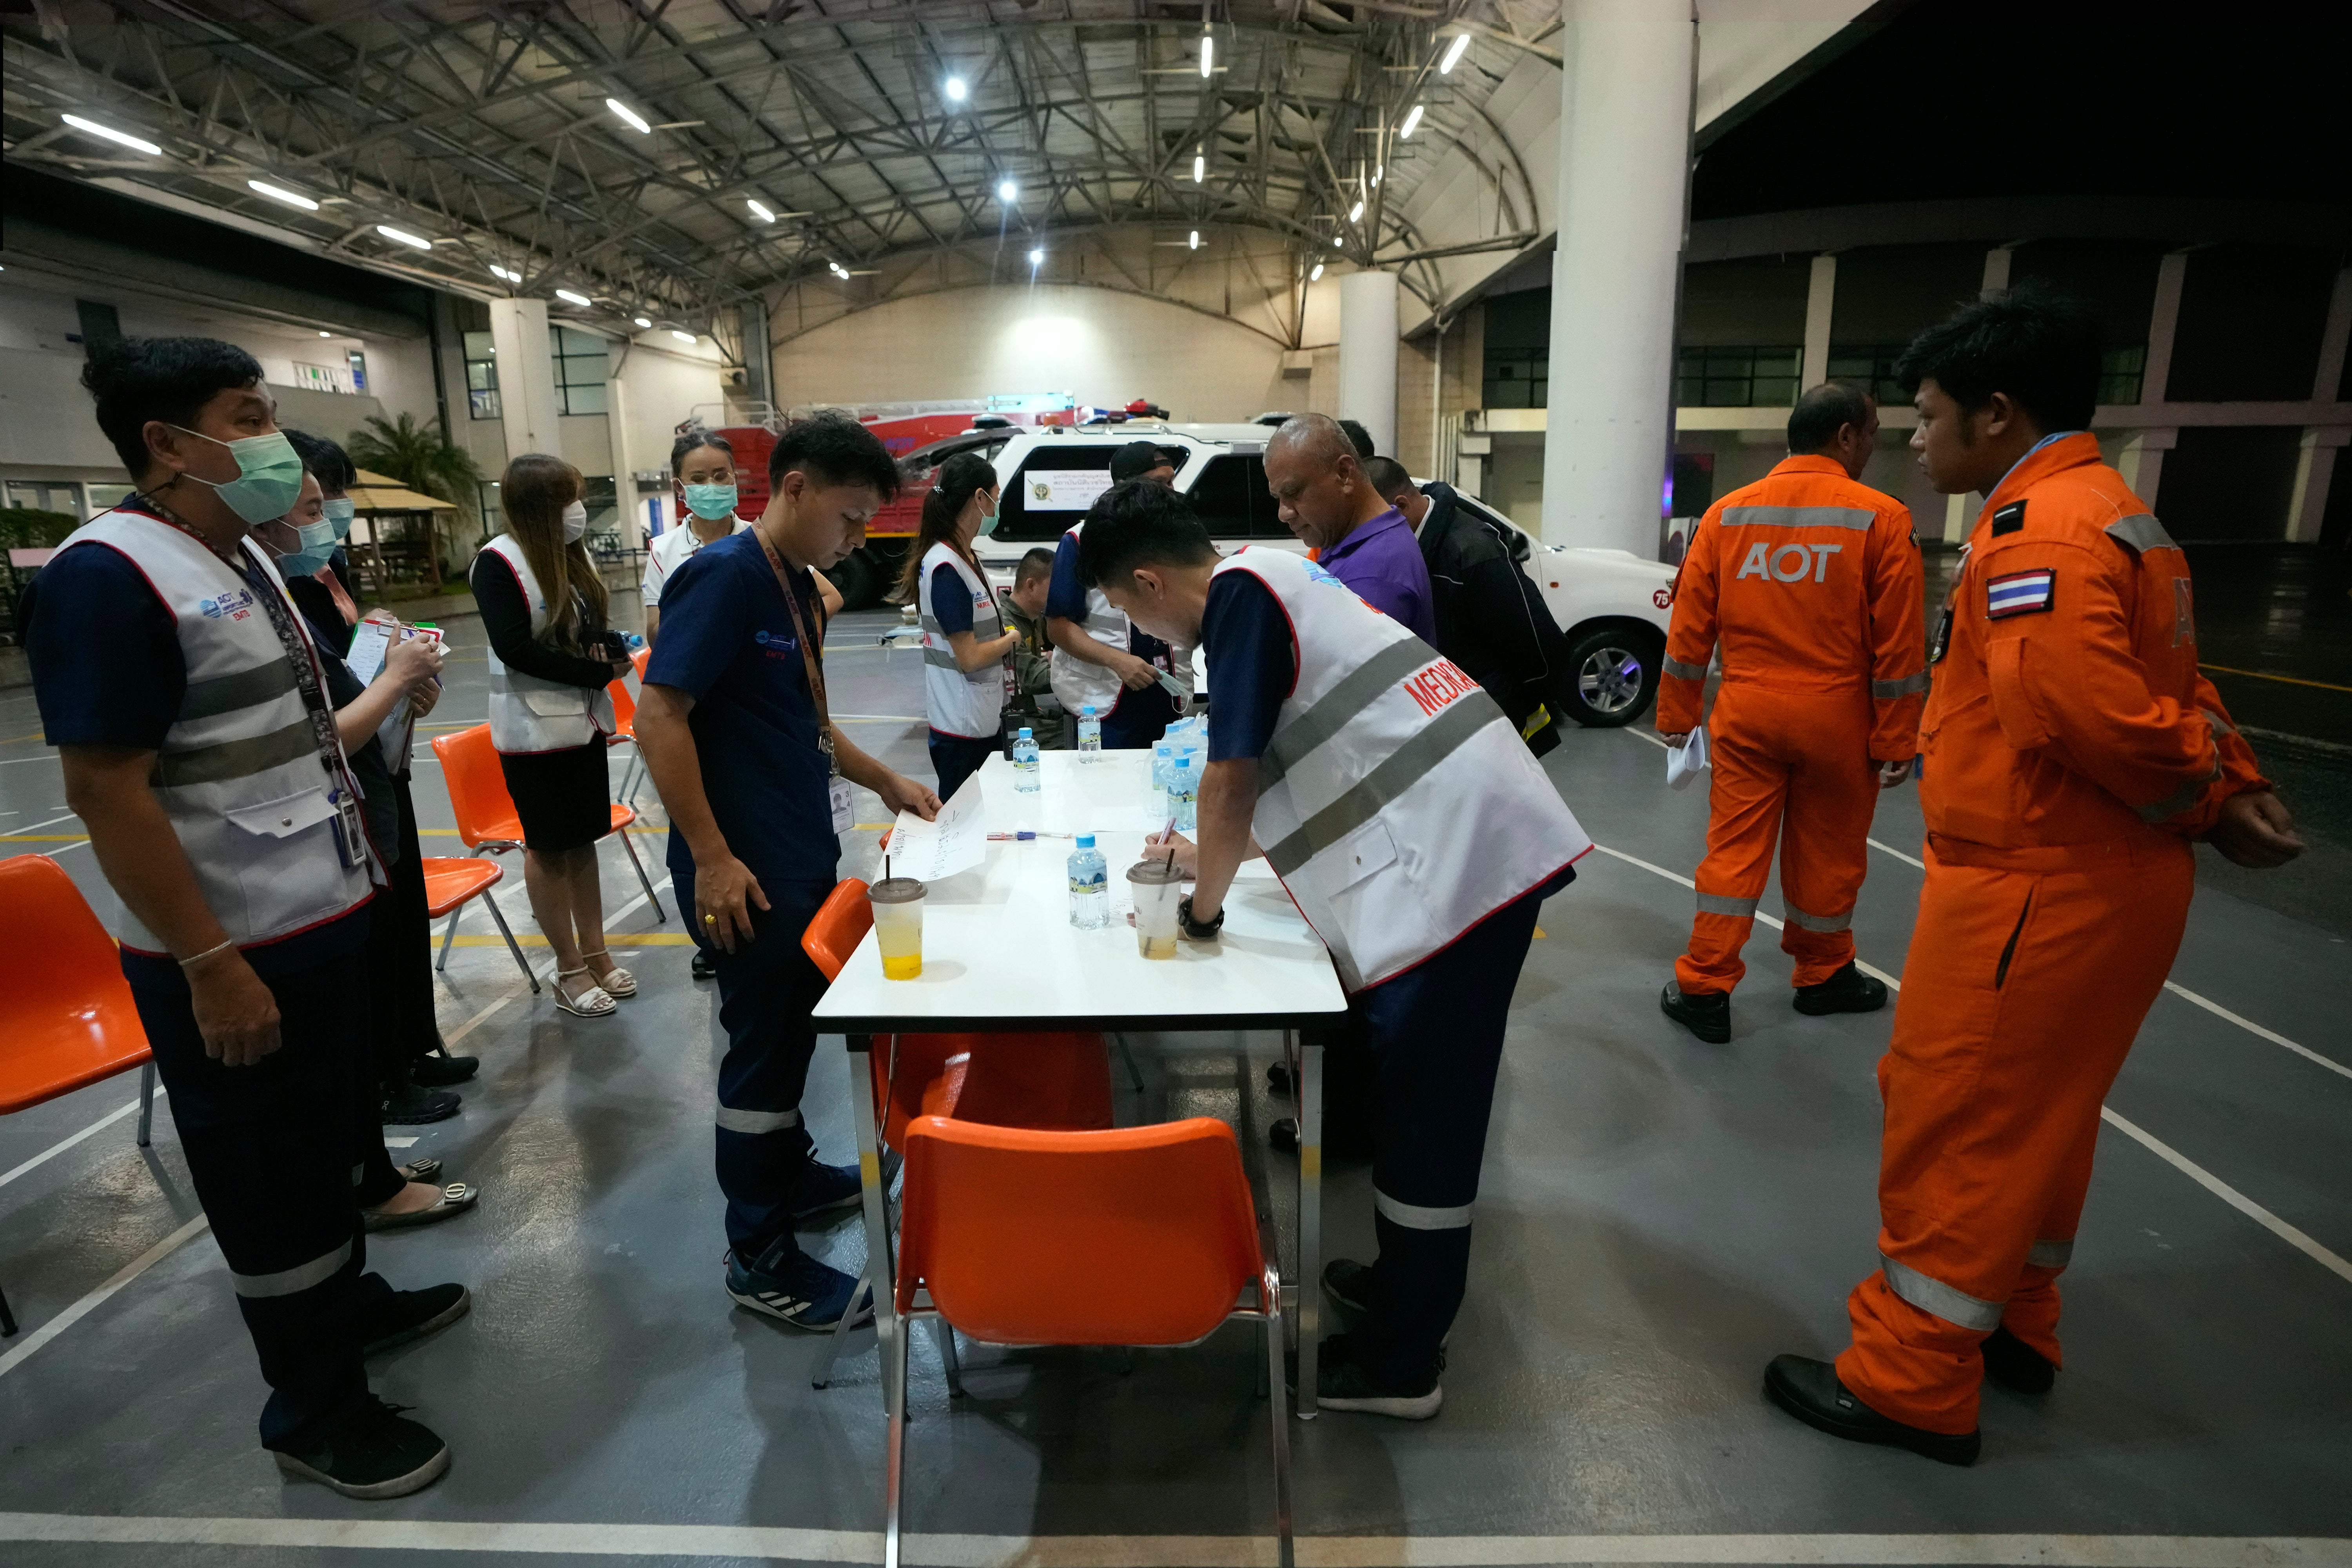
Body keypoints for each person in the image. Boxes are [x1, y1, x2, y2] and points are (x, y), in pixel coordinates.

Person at [1763, 288, 2305, 1465]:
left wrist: (2205, 797)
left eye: (1928, 414)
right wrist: (2228, 776)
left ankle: (1910, 1374)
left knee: (1956, 1117)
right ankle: (2015, 1321)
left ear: (1996, 414)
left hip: (2035, 884)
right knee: (2040, 1124)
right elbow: (2178, 679)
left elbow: (2084, 709)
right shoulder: (2113, 516)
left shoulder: (2037, 534)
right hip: (2096, 883)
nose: (1913, 435)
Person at [25, 336, 462, 1498]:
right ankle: (313, 1409)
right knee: (266, 1179)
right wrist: (210, 962)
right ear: (168, 443)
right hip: (234, 952)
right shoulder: (107, 575)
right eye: (246, 414)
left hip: (320, 919)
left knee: (322, 1148)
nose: (273, 439)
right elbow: (105, 790)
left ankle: (347, 1313)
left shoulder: (238, 554)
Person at [1078, 479, 1593, 1419]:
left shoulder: (1238, 603)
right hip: (1459, 845)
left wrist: (1198, 909)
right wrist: (1209, 853)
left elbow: (1234, 775)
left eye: (1121, 604)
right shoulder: (1266, 578)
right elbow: (1316, 754)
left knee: (1428, 1112)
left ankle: (1403, 1364)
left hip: (1463, 868)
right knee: (1411, 1095)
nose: (1133, 626)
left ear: (1147, 582)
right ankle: (1404, 1287)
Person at [633, 412, 944, 1330]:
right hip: (747, 869)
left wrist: (883, 775)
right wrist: (714, 855)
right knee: (762, 1056)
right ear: (795, 488)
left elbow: (803, 715)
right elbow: (660, 717)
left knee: (795, 1031)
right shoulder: (723, 579)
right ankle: (757, 1252)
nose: (856, 538)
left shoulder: (795, 588)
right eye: (848, 517)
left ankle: (798, 1176)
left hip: (796, 849)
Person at [1653, 383, 1926, 1044]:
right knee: (1830, 854)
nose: (1874, 445)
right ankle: (1825, 973)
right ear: (1845, 436)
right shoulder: (1883, 519)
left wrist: (1678, 713)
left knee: (1733, 853)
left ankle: (1705, 988)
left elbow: (1690, 625)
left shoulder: (1727, 516)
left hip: (1746, 711)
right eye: (1872, 434)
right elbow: (1900, 646)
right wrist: (1897, 739)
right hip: (1839, 718)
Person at [285, 430, 479, 1113]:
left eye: (334, 494)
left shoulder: (327, 567)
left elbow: (352, 668)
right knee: (370, 935)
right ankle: (385, 1078)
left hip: (379, 762)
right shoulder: (279, 586)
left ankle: (412, 1048)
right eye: (315, 500)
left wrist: (400, 667)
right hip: (343, 775)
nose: (331, 510)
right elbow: (323, 708)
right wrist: (390, 680)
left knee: (399, 920)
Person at [468, 455, 637, 1019]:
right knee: (549, 849)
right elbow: (516, 647)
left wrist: (608, 645)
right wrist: (595, 674)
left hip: (583, 726)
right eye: (570, 498)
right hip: (534, 734)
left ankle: (597, 953)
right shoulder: (498, 563)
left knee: (583, 841)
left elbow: (577, 625)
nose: (579, 510)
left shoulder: (571, 555)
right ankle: (567, 968)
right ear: (541, 506)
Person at [1367, 455, 1581, 758]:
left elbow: (1542, 646)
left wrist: (1503, 706)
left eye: (1371, 523)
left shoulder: (1473, 552)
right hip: (1443, 724)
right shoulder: (1406, 550)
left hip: (1490, 727)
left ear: (1401, 507)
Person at [1045, 448, 1192, 750]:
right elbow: (1058, 628)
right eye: (1159, 484)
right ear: (1125, 486)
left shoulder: (1176, 536)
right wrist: (1119, 662)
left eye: (1171, 482)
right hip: (1106, 699)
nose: (1171, 493)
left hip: (1168, 691)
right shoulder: (1080, 541)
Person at [899, 451, 1018, 802]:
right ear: (980, 498)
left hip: (977, 717)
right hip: (962, 727)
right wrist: (1011, 639)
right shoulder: (946, 568)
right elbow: (969, 657)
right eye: (995, 496)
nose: (997, 505)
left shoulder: (964, 556)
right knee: (964, 823)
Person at [1263, 414, 1436, 644]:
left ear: (1344, 474)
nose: (1283, 514)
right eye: (1278, 498)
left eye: (1294, 492)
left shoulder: (1372, 578)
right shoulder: (1352, 542)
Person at [643, 430, 753, 648]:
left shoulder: (760, 539)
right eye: (698, 479)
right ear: (679, 487)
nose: (711, 485)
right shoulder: (662, 551)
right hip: (693, 675)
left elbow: (829, 596)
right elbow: (655, 636)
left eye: (721, 476)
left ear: (735, 480)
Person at [1002, 546, 1065, 748]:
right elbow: (1030, 678)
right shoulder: (1007, 624)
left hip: (1028, 711)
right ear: (1031, 586)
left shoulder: (1034, 617)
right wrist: (1074, 666)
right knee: (1077, 737)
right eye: (1055, 585)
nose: (1060, 591)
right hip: (1010, 719)